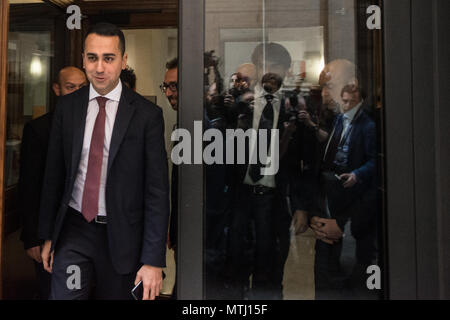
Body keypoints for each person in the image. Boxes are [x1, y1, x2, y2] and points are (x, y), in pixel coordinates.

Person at [38, 22, 169, 300]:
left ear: (123, 61)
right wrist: (49, 235)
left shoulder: (147, 116)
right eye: (92, 57)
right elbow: (54, 175)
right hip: (74, 232)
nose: (100, 67)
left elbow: (157, 192)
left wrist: (153, 260)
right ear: (83, 59)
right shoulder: (67, 108)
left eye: (108, 58)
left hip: (122, 238)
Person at [18, 66, 87, 299]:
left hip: (82, 231)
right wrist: (32, 238)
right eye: (71, 87)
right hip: (48, 233)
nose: (78, 92)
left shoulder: (95, 125)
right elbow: (29, 187)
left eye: (82, 87)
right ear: (57, 89)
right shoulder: (38, 130)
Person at [311, 60, 377, 299]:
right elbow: (322, 175)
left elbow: (376, 185)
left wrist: (343, 226)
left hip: (355, 240)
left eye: (329, 86)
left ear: (352, 86)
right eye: (322, 87)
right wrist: (317, 218)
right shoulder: (335, 121)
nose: (324, 93)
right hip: (326, 235)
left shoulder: (371, 125)